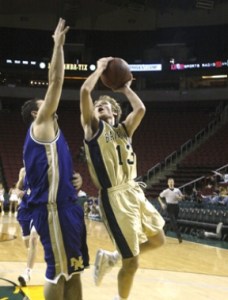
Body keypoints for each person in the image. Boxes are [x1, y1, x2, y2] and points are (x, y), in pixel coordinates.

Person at [80, 56, 165, 300]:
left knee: (158, 240)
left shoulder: (124, 130)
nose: (99, 108)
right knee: (133, 264)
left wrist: (124, 87)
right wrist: (99, 69)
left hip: (134, 191)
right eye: (97, 107)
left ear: (115, 111)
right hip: (114, 197)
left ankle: (112, 257)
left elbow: (140, 109)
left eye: (104, 106)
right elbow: (86, 91)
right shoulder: (93, 128)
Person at [20, 18, 89, 300]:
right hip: (52, 211)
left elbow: (58, 168)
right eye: (42, 103)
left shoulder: (54, 132)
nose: (48, 102)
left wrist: (76, 179)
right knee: (58, 271)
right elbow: (56, 80)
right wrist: (58, 47)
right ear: (37, 113)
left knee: (73, 270)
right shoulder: (41, 125)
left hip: (67, 207)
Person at [158, 178, 184, 243]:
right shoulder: (166, 191)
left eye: (172, 182)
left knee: (173, 222)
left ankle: (165, 231)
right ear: (168, 183)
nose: (171, 183)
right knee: (174, 222)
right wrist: (162, 204)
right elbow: (159, 197)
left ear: (174, 182)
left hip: (176, 207)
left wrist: (179, 198)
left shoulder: (177, 190)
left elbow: (182, 197)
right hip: (169, 207)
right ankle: (179, 237)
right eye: (170, 182)